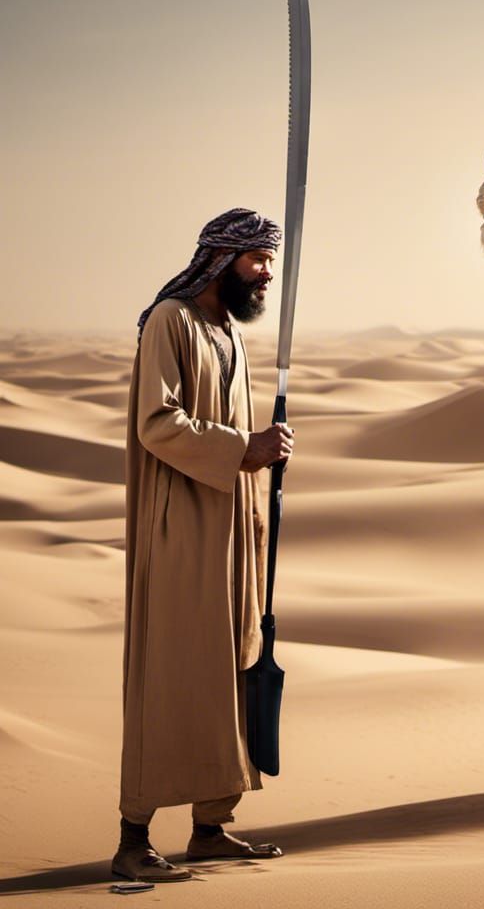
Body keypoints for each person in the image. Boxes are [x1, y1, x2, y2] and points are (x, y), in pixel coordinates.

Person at [112, 208, 295, 882]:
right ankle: (134, 837)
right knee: (175, 677)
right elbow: (158, 422)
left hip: (233, 527)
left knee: (233, 672)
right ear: (220, 258)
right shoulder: (172, 321)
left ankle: (210, 828)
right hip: (183, 529)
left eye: (271, 261)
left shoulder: (226, 332)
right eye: (257, 259)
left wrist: (263, 455)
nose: (267, 273)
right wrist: (241, 448)